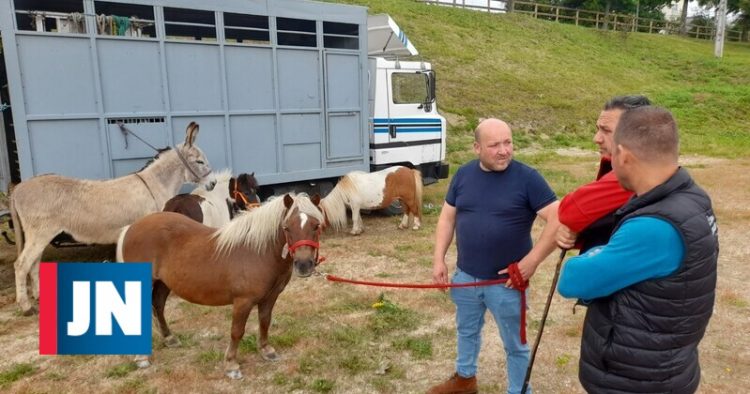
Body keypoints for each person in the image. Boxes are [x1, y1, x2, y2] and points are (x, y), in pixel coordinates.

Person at [557, 107, 718, 393]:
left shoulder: (654, 228)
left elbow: (572, 279)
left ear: (624, 155)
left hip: (635, 380)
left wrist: (600, 250)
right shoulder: (693, 198)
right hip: (666, 365)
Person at [429, 118, 560, 394]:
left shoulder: (527, 178)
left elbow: (557, 219)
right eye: (494, 145)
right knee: (466, 330)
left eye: (508, 142)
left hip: (506, 284)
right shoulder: (463, 175)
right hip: (465, 276)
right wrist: (439, 258)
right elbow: (446, 219)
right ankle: (465, 380)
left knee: (515, 344)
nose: (504, 151)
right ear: (477, 147)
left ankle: (519, 391)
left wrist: (531, 262)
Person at [556, 95, 651, 253]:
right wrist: (576, 233)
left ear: (636, 134)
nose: (596, 138)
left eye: (606, 131)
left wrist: (572, 226)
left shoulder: (635, 173)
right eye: (598, 129)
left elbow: (569, 212)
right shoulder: (649, 168)